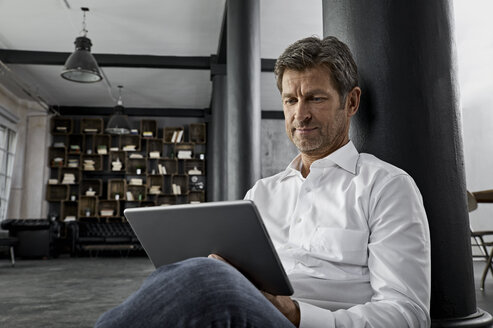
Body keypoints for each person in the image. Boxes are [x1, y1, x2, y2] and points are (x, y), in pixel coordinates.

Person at [95, 36, 431, 328]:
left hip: (310, 324)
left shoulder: (385, 186)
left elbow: (408, 314)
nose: (300, 115)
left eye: (315, 98)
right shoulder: (262, 193)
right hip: (241, 314)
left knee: (201, 280)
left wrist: (297, 315)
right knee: (189, 272)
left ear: (351, 102)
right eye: (290, 100)